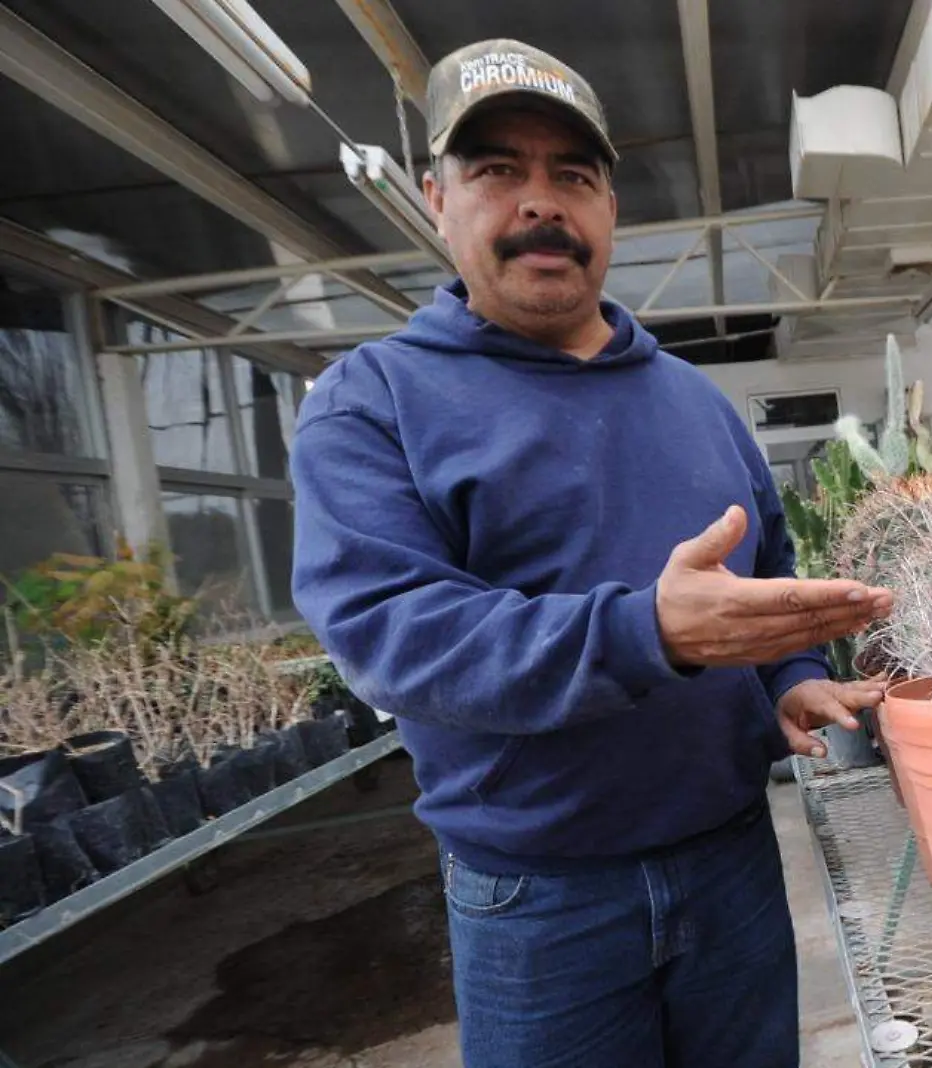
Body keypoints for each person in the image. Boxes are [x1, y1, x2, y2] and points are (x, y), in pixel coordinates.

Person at [289, 37, 893, 1068]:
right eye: (496, 172)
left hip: (732, 860)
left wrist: (787, 677)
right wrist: (646, 630)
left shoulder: (696, 402)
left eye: (573, 175)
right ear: (437, 199)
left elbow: (767, 567)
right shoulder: (373, 402)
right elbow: (394, 636)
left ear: (611, 211)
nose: (540, 203)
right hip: (539, 899)